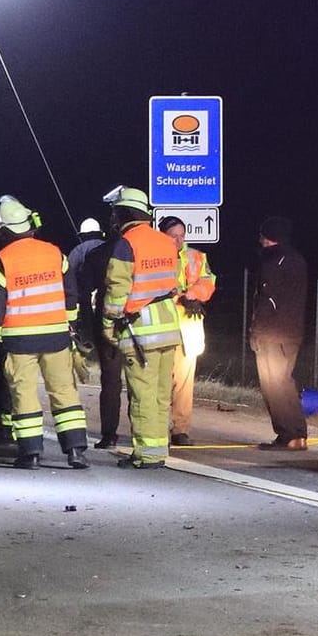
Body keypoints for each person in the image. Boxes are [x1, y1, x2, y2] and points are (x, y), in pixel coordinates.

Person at [0, 195, 89, 469]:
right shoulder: (55, 253)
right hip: (57, 338)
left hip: (19, 341)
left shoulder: (0, 261)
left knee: (24, 394)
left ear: (4, 229)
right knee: (64, 392)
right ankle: (75, 451)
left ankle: (30, 453)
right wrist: (70, 325)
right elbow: (71, 296)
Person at [99, 187, 184, 469]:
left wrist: (108, 326)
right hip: (169, 327)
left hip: (141, 331)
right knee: (161, 394)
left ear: (124, 213)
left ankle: (146, 454)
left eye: (115, 212)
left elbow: (116, 291)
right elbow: (174, 283)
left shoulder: (126, 243)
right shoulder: (165, 242)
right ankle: (158, 450)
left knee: (143, 394)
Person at [251, 215, 308, 450]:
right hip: (293, 332)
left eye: (262, 235)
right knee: (285, 382)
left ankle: (288, 434)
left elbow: (268, 300)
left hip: (272, 334)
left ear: (268, 237)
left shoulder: (274, 262)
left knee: (273, 385)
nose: (260, 240)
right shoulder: (297, 259)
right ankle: (298, 434)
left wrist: (256, 330)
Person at [160, 216, 217, 447]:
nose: (178, 240)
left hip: (189, 327)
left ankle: (180, 429)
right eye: (173, 235)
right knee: (161, 382)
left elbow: (208, 281)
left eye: (182, 235)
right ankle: (159, 426)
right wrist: (180, 296)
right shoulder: (156, 256)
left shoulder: (196, 257)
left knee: (184, 384)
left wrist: (194, 295)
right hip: (163, 326)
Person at [78, 221, 127, 449]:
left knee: (111, 382)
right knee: (147, 384)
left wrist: (86, 328)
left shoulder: (95, 254)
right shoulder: (139, 251)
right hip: (145, 324)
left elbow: (83, 293)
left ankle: (109, 435)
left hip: (109, 326)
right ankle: (148, 435)